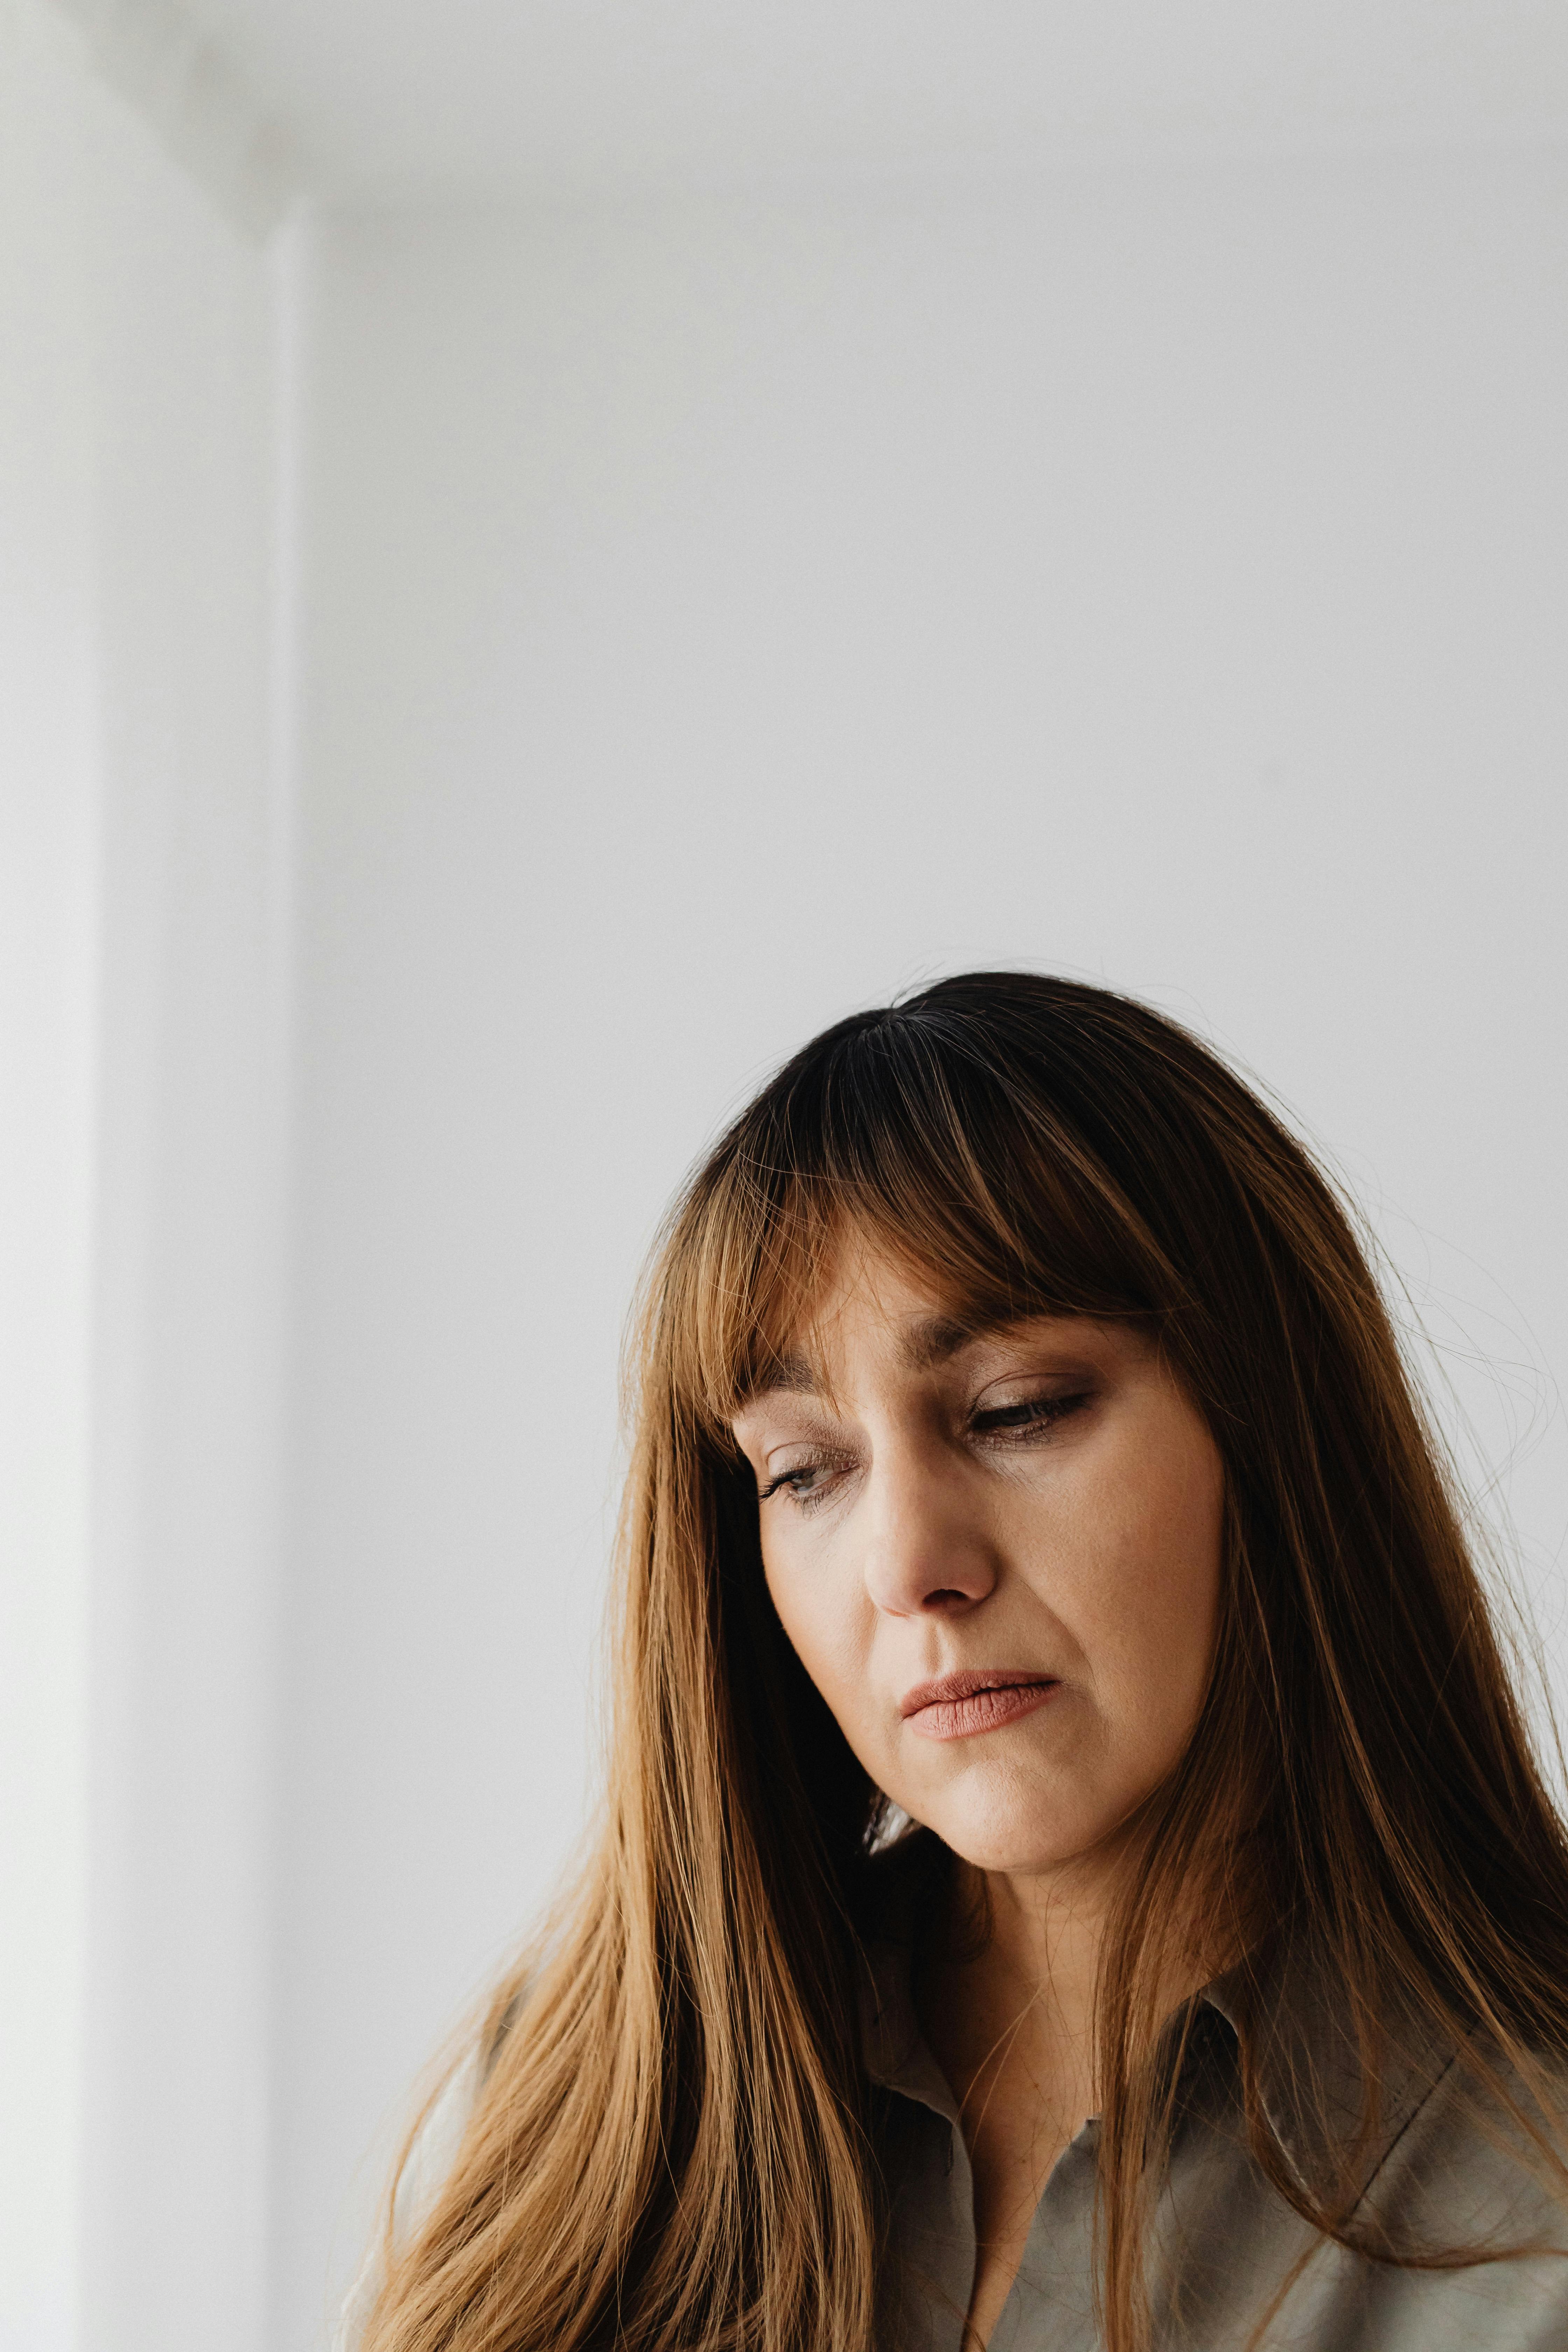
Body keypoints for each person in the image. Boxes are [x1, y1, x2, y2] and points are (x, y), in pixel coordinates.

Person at [342, 972, 1568, 2352]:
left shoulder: (1536, 2176)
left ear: (1275, 1428)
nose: (906, 1564)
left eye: (1015, 1411)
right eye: (805, 1473)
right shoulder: (604, 2113)